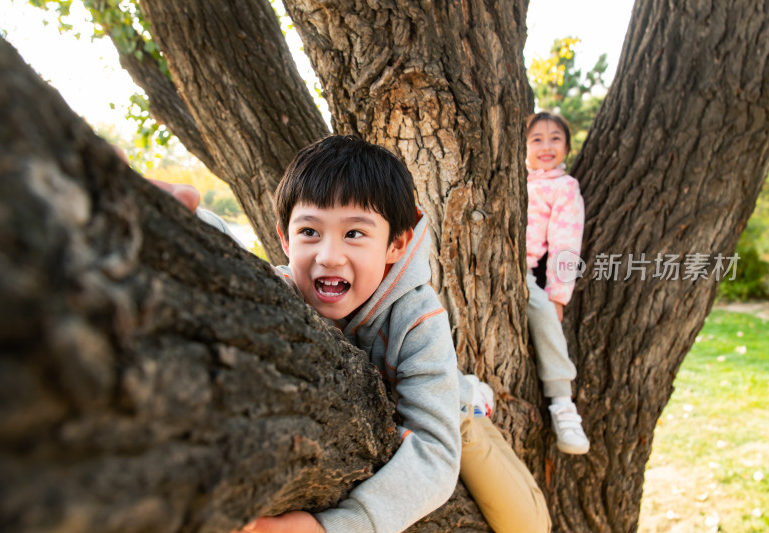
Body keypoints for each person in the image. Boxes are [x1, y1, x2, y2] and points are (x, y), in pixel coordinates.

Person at [163, 135, 550, 533]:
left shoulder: (418, 316)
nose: (329, 255)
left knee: (529, 525)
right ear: (284, 237)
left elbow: (435, 451)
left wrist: (342, 526)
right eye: (309, 231)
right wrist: (175, 216)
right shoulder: (286, 295)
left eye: (354, 234)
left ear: (395, 244)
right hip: (385, 412)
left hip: (449, 413)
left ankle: (471, 393)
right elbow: (232, 261)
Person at [525, 112, 590, 455]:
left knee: (542, 313)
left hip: (524, 272)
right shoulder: (515, 179)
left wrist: (558, 297)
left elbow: (567, 243)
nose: (546, 146)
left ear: (567, 146)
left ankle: (563, 405)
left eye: (555, 139)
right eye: (537, 139)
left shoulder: (564, 188)